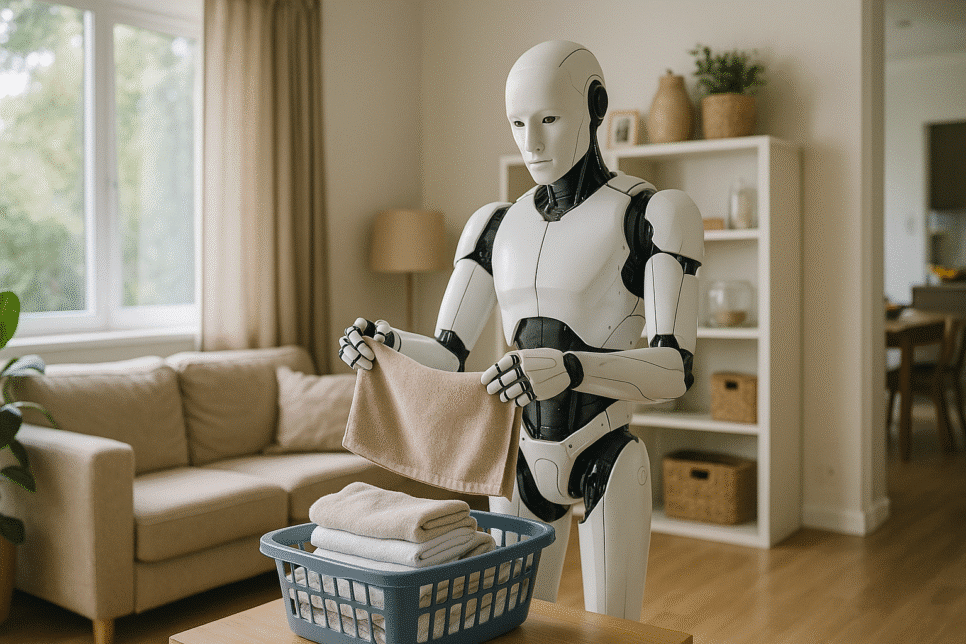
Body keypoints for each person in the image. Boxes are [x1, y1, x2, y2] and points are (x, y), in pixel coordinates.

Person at [339, 40, 703, 620]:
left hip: (605, 454)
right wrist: (389, 348)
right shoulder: (493, 226)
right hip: (514, 459)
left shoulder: (652, 213)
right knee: (509, 624)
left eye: (550, 120)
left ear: (596, 106)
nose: (531, 142)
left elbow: (674, 370)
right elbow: (447, 353)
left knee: (614, 630)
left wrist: (574, 368)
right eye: (516, 123)